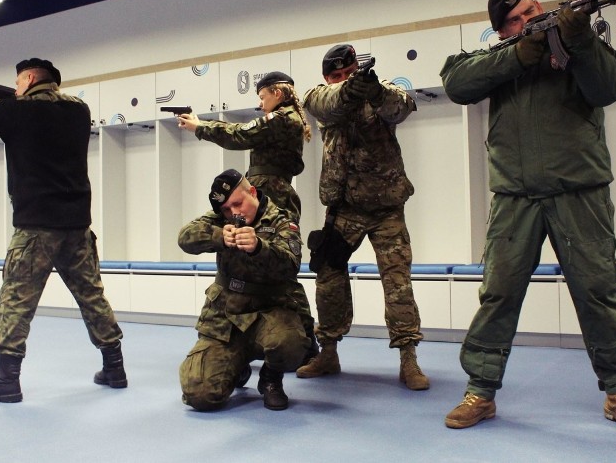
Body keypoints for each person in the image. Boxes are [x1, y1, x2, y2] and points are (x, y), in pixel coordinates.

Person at [439, 0, 616, 432]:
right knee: (498, 295)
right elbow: (457, 83)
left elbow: (609, 87)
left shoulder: (581, 45)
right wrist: (518, 55)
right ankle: (480, 390)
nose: (529, 21)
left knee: (598, 292)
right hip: (515, 196)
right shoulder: (501, 56)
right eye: (516, 20)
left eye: (531, 10)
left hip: (580, 190)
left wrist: (579, 39)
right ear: (501, 31)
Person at [0, 58, 126, 403]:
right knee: (92, 297)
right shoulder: (79, 111)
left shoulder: (18, 114)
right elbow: (26, 107)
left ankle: (6, 380)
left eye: (17, 83)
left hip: (35, 229)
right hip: (77, 225)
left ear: (28, 78)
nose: (14, 89)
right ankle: (115, 367)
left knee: (16, 303)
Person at [298, 44, 429, 391]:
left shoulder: (380, 91)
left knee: (397, 284)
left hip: (386, 210)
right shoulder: (321, 98)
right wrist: (347, 90)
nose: (344, 79)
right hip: (343, 211)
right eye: (336, 76)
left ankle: (408, 359)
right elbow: (321, 102)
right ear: (328, 78)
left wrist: (374, 90)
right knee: (328, 278)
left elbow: (402, 107)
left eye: (349, 73)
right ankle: (328, 351)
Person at [175, 71, 318, 364]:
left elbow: (241, 134)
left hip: (271, 193)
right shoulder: (287, 119)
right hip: (271, 189)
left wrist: (200, 127)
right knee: (264, 265)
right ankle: (297, 343)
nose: (261, 103)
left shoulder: (279, 119)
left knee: (281, 270)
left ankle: (303, 344)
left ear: (277, 93)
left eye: (263, 96)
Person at [178, 169, 309, 411]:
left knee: (292, 345)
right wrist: (219, 236)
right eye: (227, 209)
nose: (234, 212)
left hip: (268, 311)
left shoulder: (281, 220)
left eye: (238, 203)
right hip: (227, 317)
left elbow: (291, 264)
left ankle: (270, 378)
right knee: (200, 395)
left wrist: (260, 248)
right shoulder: (221, 218)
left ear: (252, 192)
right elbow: (185, 237)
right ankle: (237, 366)